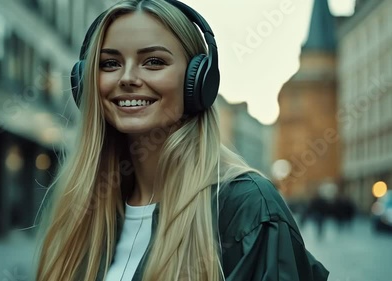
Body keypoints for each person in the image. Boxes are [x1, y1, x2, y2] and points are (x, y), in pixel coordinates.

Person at [35, 0, 329, 280]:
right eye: (109, 63)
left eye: (153, 61)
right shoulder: (88, 205)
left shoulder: (247, 207)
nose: (126, 78)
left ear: (198, 80)